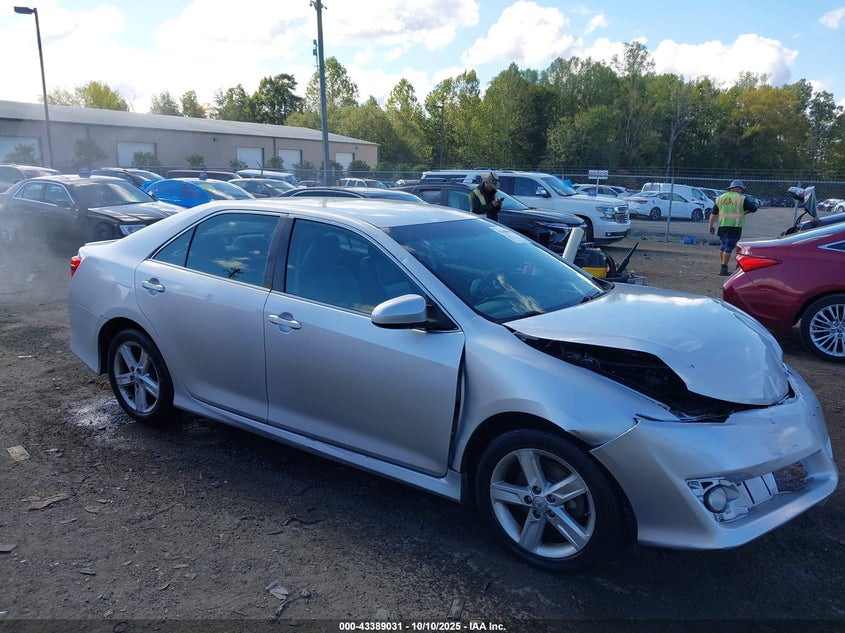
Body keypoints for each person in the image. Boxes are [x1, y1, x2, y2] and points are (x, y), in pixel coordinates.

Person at [709, 179, 757, 275]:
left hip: (722, 225)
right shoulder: (741, 198)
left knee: (723, 246)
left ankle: (722, 265)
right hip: (735, 226)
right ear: (739, 189)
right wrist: (744, 212)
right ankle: (724, 268)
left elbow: (713, 213)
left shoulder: (720, 198)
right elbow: (754, 208)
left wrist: (711, 225)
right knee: (729, 246)